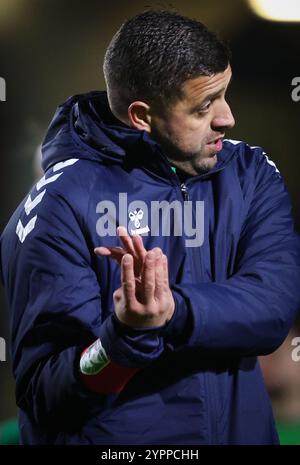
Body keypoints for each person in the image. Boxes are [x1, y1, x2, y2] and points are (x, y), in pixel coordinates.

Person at [0, 9, 299, 445]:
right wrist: (121, 341)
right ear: (142, 115)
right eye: (203, 106)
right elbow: (46, 393)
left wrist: (170, 312)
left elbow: (272, 308)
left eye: (224, 94)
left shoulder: (250, 173)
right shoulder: (58, 205)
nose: (227, 118)